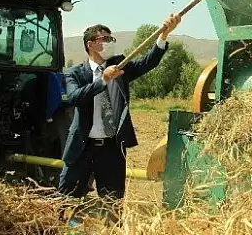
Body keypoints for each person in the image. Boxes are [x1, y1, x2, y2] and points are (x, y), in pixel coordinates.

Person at [58, 13, 180, 199]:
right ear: (90, 44)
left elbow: (148, 62)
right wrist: (103, 80)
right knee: (66, 200)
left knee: (113, 203)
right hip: (81, 148)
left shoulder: (120, 66)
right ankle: (73, 227)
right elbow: (75, 97)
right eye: (105, 39)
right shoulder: (74, 73)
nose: (110, 42)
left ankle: (107, 228)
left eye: (111, 38)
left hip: (111, 149)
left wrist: (163, 36)